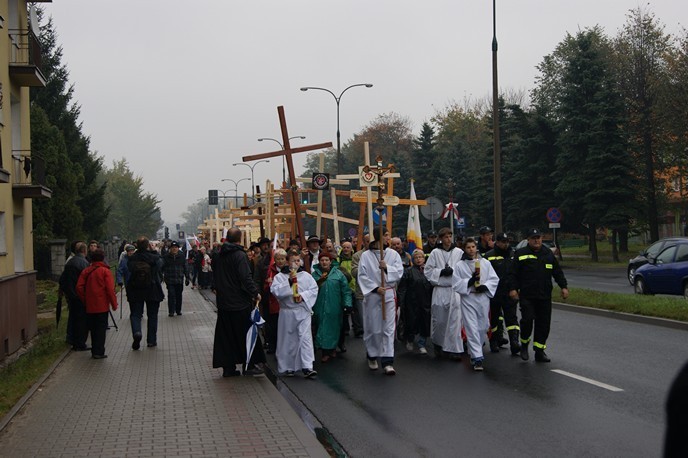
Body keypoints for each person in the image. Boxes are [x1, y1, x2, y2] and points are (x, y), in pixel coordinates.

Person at [509, 228, 569, 362]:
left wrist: (563, 287)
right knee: (527, 320)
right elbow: (513, 274)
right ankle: (524, 345)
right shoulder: (521, 253)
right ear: (528, 240)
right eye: (533, 238)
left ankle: (539, 351)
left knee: (543, 324)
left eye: (539, 238)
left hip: (544, 296)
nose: (537, 240)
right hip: (527, 295)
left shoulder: (547, 254)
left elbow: (557, 272)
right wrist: (513, 289)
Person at [212, 227, 266, 377]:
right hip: (239, 302)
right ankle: (249, 365)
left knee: (226, 336)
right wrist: (255, 293)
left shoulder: (218, 255)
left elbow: (215, 275)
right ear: (240, 239)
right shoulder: (239, 255)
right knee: (245, 334)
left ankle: (228, 367)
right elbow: (245, 277)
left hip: (223, 302)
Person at [357, 237, 403, 375]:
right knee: (374, 327)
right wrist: (376, 288)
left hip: (388, 293)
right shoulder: (366, 256)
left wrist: (387, 268)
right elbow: (362, 275)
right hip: (373, 295)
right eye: (384, 236)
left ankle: (387, 360)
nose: (386, 238)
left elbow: (399, 272)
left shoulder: (393, 254)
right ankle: (372, 355)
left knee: (388, 328)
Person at [270, 250, 319, 378]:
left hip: (302, 311)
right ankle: (289, 366)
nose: (296, 263)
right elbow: (275, 291)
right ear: (287, 262)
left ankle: (307, 366)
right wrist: (289, 282)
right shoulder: (280, 277)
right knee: (289, 340)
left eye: (298, 260)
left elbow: (314, 289)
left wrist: (303, 296)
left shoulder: (306, 276)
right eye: (293, 261)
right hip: (288, 312)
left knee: (305, 339)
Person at [453, 238, 499, 371]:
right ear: (464, 249)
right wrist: (469, 282)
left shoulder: (485, 263)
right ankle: (477, 357)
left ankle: (476, 349)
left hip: (483, 298)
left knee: (483, 326)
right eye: (468, 247)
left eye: (473, 247)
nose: (471, 249)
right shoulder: (460, 265)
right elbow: (456, 283)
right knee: (471, 327)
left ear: (476, 248)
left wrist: (485, 287)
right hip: (469, 297)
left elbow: (493, 278)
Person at [424, 227, 465, 359]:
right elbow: (428, 270)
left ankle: (454, 349)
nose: (448, 239)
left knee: (455, 320)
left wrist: (454, 271)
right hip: (440, 289)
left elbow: (464, 268)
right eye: (446, 237)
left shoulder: (458, 252)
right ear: (441, 239)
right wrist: (441, 272)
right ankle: (438, 344)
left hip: (454, 290)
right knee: (440, 320)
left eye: (450, 236)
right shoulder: (435, 253)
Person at [76, 248, 118, 359]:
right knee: (101, 329)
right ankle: (99, 351)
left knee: (93, 328)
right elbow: (110, 289)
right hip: (102, 305)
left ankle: (94, 349)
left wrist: (85, 299)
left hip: (89, 306)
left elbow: (79, 287)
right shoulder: (105, 271)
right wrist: (114, 304)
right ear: (103, 258)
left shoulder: (86, 271)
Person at [312, 251, 352, 363]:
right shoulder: (314, 275)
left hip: (334, 306)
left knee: (334, 328)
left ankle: (332, 348)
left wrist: (347, 304)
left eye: (326, 260)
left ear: (330, 262)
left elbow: (346, 291)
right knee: (322, 327)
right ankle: (325, 351)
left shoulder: (338, 274)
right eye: (322, 260)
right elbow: (310, 290)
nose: (324, 262)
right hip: (319, 306)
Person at [485, 232, 520, 355]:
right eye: (503, 242)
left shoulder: (513, 255)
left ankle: (515, 343)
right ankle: (494, 341)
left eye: (507, 242)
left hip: (509, 292)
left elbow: (516, 273)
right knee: (494, 319)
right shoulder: (489, 256)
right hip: (494, 293)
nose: (506, 244)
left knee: (512, 319)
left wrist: (515, 288)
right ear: (497, 242)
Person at [126, 237, 165, 349]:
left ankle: (137, 332)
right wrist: (154, 252)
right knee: (152, 315)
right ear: (148, 245)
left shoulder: (132, 258)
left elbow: (129, 269)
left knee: (136, 314)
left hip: (135, 289)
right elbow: (160, 266)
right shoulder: (154, 257)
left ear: (136, 246)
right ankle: (151, 340)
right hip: (152, 289)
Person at [397, 249, 433, 354]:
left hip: (426, 302)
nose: (418, 259)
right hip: (412, 302)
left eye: (420, 257)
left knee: (425, 323)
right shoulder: (408, 271)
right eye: (416, 257)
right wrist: (401, 302)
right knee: (411, 322)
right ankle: (410, 340)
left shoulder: (428, 271)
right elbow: (402, 287)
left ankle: (422, 343)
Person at [58, 241, 90, 351]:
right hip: (80, 296)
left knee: (73, 317)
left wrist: (64, 290)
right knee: (82, 321)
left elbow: (62, 279)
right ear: (84, 251)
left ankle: (71, 338)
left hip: (71, 295)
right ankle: (80, 343)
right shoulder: (84, 263)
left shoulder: (70, 262)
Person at [263, 248, 288, 354]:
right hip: (274, 303)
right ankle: (273, 346)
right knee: (274, 326)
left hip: (286, 303)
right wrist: (268, 283)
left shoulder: (289, 270)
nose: (280, 261)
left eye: (282, 259)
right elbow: (265, 288)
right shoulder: (270, 271)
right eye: (278, 259)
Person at [349, 233, 370, 339]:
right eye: (367, 241)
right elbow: (354, 272)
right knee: (364, 321)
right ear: (363, 242)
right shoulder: (357, 256)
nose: (370, 244)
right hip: (362, 293)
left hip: (376, 293)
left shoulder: (380, 254)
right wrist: (367, 269)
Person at [162, 241, 190, 317]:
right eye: (173, 248)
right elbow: (162, 268)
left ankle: (178, 310)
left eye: (176, 247)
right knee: (171, 295)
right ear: (170, 249)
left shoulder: (182, 256)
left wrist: (187, 277)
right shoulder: (166, 257)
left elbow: (185, 267)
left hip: (179, 279)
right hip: (170, 279)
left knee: (178, 295)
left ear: (178, 248)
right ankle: (171, 311)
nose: (174, 249)